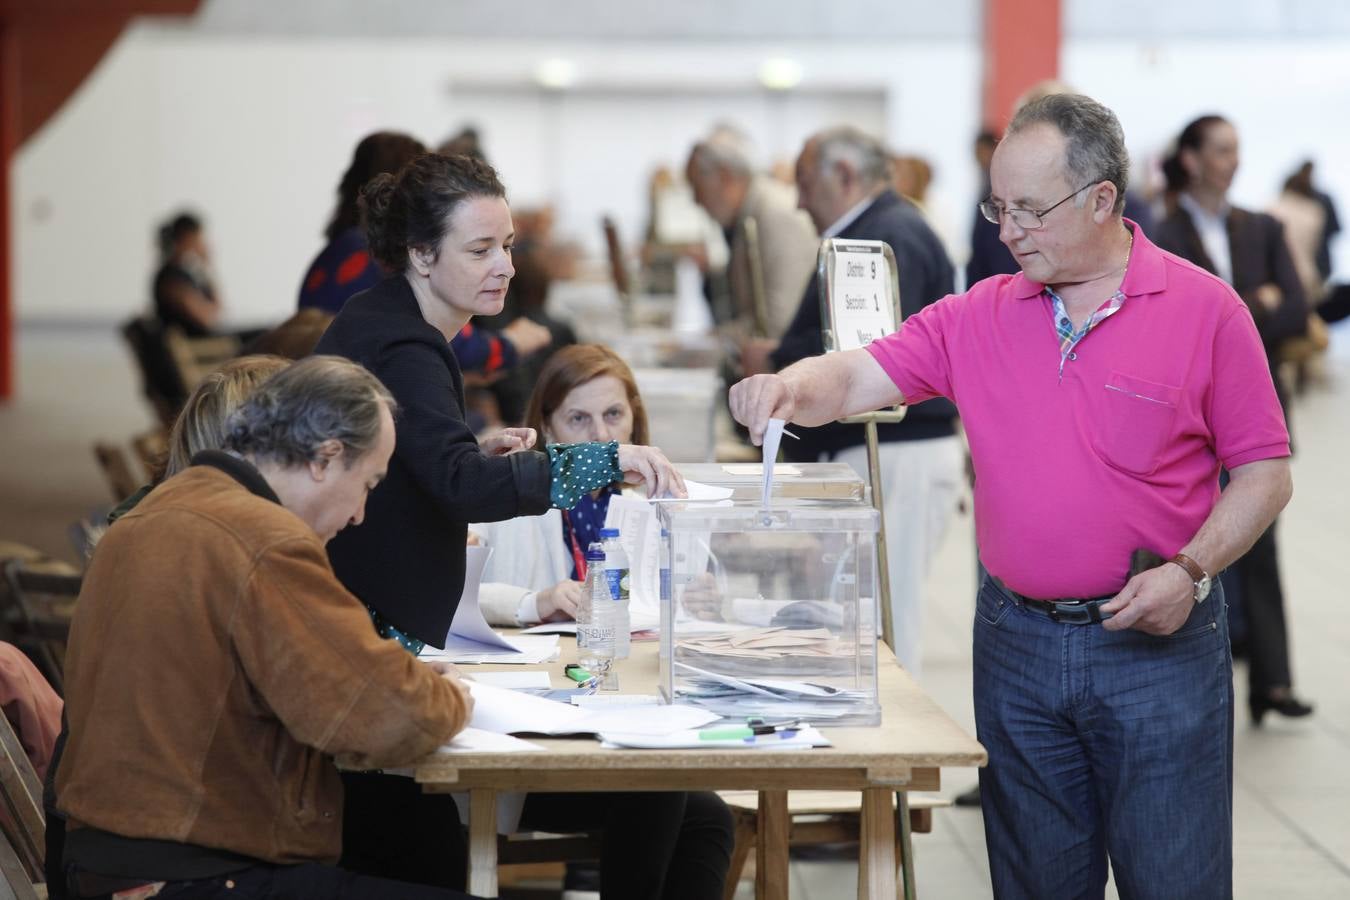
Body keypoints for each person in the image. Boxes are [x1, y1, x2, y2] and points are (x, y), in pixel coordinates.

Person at [730, 93, 1294, 899]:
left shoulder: (1206, 311)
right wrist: (785, 387)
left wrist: (1192, 570)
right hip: (1018, 646)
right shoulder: (981, 313)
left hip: (1155, 646)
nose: (1008, 229)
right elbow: (858, 372)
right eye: (999, 205)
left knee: (1173, 875)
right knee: (1034, 878)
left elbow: (1266, 473)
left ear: (1103, 199)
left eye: (1030, 208)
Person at [314, 151, 732, 898]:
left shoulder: (392, 326)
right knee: (667, 802)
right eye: (480, 249)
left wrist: (468, 451)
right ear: (420, 253)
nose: (503, 265)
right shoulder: (404, 341)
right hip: (369, 680)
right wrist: (603, 460)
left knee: (689, 809)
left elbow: (426, 466)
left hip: (383, 653)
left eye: (506, 244)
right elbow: (458, 487)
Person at [55, 356, 478, 900]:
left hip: (113, 857)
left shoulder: (152, 513)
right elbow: (386, 717)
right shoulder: (264, 538)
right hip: (196, 871)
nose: (359, 515)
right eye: (369, 483)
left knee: (413, 836)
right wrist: (452, 698)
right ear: (326, 459)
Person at [750, 125, 961, 678]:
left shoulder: (889, 240)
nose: (796, 202)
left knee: (887, 620)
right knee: (861, 616)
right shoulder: (871, 233)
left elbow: (875, 362)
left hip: (895, 452)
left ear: (843, 175)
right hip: (878, 453)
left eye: (802, 184)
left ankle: (898, 755)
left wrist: (778, 362)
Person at [1152, 114, 1313, 725]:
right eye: (1222, 150)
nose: (1234, 160)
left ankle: (1272, 680)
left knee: (1263, 541)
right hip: (1189, 418)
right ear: (1191, 159)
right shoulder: (1162, 232)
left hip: (1254, 409)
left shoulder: (1262, 228)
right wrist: (1253, 305)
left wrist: (1239, 319)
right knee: (1197, 544)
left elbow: (1295, 309)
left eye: (1238, 149)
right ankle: (1201, 673)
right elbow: (1175, 329)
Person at [298, 132, 551, 374]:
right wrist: (508, 346)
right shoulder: (381, 276)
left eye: (507, 246)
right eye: (480, 250)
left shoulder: (340, 250)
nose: (508, 268)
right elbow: (460, 349)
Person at [472, 344, 651, 625]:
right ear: (546, 427)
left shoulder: (651, 512)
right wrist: (534, 603)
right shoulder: (502, 496)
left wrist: (688, 599)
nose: (600, 435)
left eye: (613, 414)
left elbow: (652, 608)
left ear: (634, 416)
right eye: (578, 418)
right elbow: (444, 591)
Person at [685, 127, 818, 337]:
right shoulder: (751, 213)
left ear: (725, 177)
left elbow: (778, 323)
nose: (696, 200)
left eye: (696, 186)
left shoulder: (775, 214)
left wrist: (706, 341)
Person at [152, 211, 223, 337]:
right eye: (199, 237)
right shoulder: (171, 279)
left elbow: (216, 310)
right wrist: (206, 266)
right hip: (200, 345)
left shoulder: (182, 274)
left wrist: (204, 268)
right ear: (188, 237)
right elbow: (207, 319)